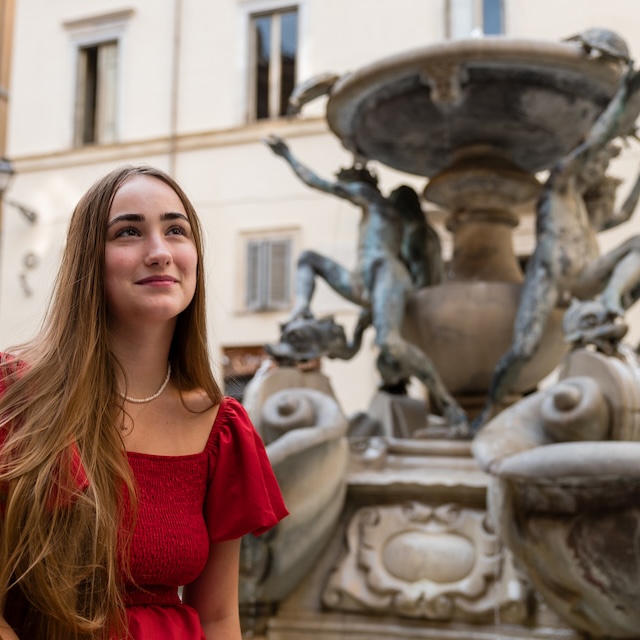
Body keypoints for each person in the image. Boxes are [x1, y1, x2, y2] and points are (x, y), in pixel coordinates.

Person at [0, 165, 288, 639]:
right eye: (129, 232)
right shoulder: (16, 396)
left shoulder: (220, 428)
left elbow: (218, 617)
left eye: (176, 230)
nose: (159, 252)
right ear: (88, 261)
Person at [263, 135, 468, 434]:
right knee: (308, 258)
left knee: (389, 343)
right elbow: (349, 352)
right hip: (364, 279)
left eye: (349, 181)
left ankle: (449, 405)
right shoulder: (376, 207)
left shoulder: (372, 199)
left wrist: (287, 155)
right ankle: (302, 309)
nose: (346, 187)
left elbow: (318, 183)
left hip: (386, 272)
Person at [474, 63, 640, 430]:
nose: (598, 170)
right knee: (523, 350)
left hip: (584, 277)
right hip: (550, 277)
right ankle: (490, 409)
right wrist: (626, 97)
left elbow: (625, 214)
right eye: (595, 163)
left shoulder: (581, 205)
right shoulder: (560, 183)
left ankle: (611, 302)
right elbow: (596, 140)